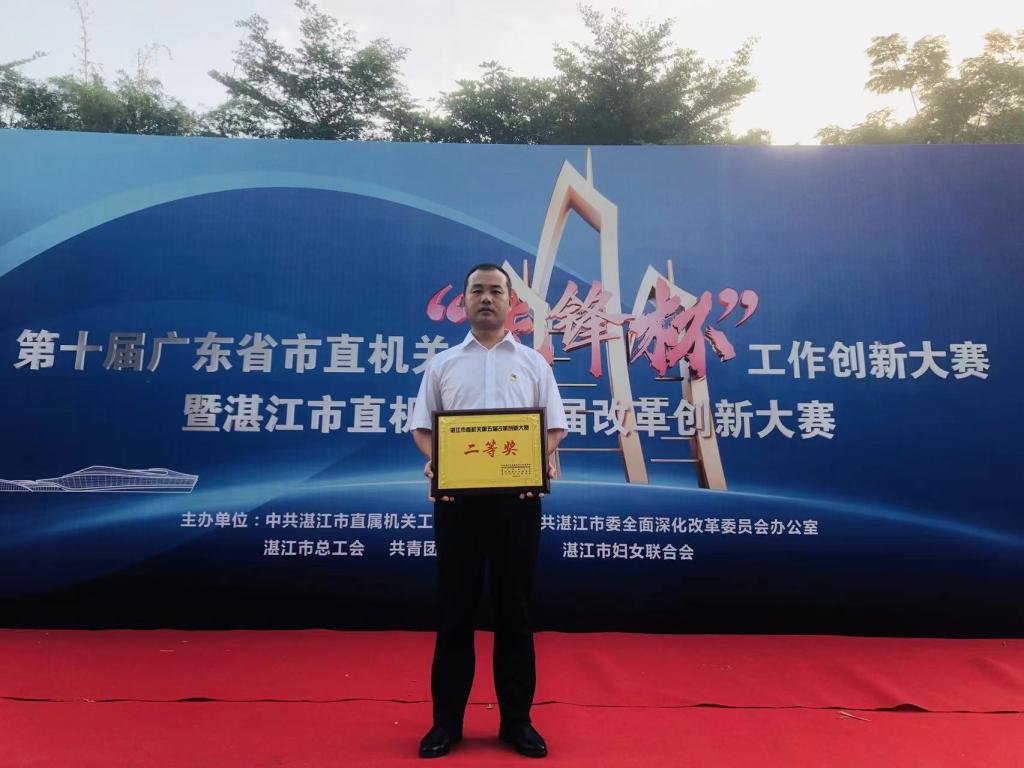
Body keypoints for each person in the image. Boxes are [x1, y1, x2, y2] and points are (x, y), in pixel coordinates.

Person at [410, 263, 566, 759]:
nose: (486, 298)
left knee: (514, 612)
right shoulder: (443, 364)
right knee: (455, 611)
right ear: (463, 301)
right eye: (476, 290)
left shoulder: (534, 364)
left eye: (496, 290)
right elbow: (422, 429)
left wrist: (536, 462)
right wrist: (440, 463)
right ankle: (446, 723)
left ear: (510, 302)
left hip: (517, 504)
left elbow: (554, 428)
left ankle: (517, 722)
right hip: (457, 504)